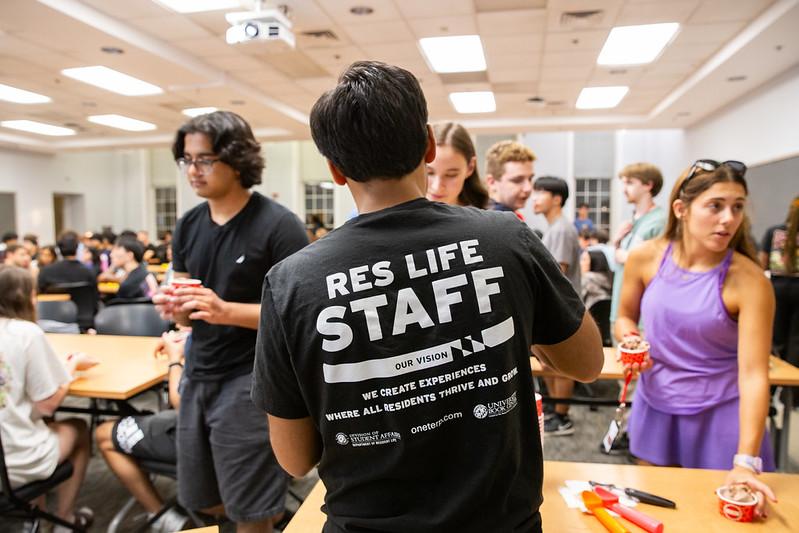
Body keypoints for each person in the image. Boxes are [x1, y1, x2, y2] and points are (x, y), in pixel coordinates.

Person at [251, 61, 604, 533]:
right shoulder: (505, 239)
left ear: (335, 169)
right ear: (429, 144)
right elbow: (586, 364)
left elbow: (295, 458)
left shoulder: (292, 283)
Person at [153, 110, 308, 532]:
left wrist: (225, 311)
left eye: (204, 160)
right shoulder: (188, 226)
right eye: (186, 160)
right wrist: (174, 306)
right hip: (200, 372)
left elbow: (297, 318)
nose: (193, 171)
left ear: (236, 159)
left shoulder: (279, 226)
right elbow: (187, 309)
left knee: (252, 510)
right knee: (204, 499)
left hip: (251, 380)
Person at [616, 160, 777, 519]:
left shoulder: (749, 281)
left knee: (714, 519)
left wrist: (746, 461)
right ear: (681, 209)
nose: (728, 219)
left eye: (737, 207)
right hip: (656, 405)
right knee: (657, 514)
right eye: (716, 206)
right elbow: (625, 315)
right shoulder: (645, 258)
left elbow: (753, 374)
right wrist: (629, 339)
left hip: (722, 418)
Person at [0, 265, 97, 531]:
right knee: (78, 428)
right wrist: (71, 367)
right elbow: (47, 404)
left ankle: (34, 516)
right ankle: (64, 518)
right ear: (27, 297)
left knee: (41, 426)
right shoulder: (25, 334)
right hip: (14, 461)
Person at [95, 329, 190, 533]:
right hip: (247, 441)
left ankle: (159, 515)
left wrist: (175, 359)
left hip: (199, 438)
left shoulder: (210, 345)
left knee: (103, 434)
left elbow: (181, 401)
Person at [532, 176, 582, 436]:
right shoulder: (553, 228)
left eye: (541, 193)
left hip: (562, 306)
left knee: (561, 366)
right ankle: (554, 410)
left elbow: (557, 273)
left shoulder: (561, 229)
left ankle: (563, 417)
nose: (535, 198)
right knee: (549, 364)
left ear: (557, 199)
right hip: (552, 306)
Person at [610, 163, 666, 325]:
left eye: (630, 182)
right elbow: (618, 264)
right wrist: (617, 242)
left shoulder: (659, 222)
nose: (623, 189)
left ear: (648, 185)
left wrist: (627, 256)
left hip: (642, 319)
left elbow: (660, 266)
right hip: (620, 311)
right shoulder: (631, 222)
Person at [760, 195, 799, 368]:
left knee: (776, 336)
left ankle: (773, 384)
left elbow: (761, 262)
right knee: (796, 339)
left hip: (776, 289)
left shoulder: (773, 231)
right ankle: (791, 391)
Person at [425, 122, 489, 208]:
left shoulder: (486, 219)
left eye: (451, 175)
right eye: (429, 172)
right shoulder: (403, 215)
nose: (437, 187)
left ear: (470, 167)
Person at [484, 140, 536, 219]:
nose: (528, 188)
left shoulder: (512, 217)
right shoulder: (492, 223)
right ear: (492, 182)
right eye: (517, 180)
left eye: (530, 179)